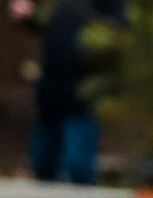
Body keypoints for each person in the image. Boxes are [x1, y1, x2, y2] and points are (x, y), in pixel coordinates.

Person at [16, 0, 129, 184]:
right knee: (42, 163)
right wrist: (28, 16)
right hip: (51, 85)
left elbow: (118, 31)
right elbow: (44, 21)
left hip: (83, 91)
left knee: (78, 166)